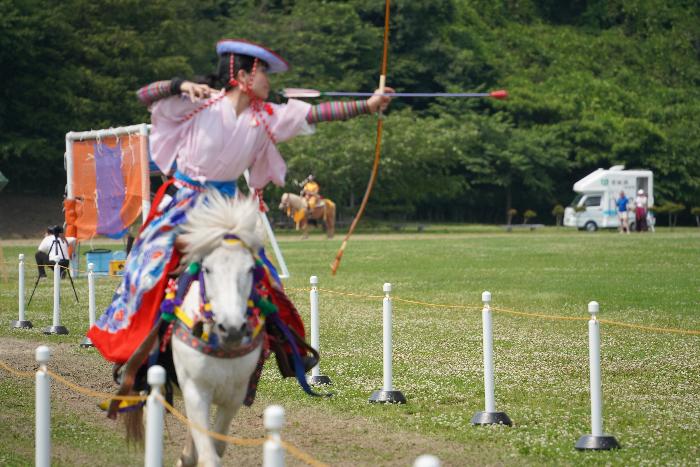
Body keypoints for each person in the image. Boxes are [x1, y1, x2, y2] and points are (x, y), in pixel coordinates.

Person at [87, 39, 393, 390]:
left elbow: (315, 113)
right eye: (264, 72)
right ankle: (139, 359)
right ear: (243, 75)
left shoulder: (265, 117)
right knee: (148, 268)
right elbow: (144, 95)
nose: (269, 81)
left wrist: (368, 105)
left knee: (263, 273)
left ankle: (285, 346)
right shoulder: (198, 104)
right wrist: (178, 85)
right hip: (185, 201)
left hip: (229, 207)